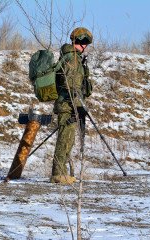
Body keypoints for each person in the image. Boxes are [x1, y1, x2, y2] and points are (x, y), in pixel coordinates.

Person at [50, 27, 93, 184]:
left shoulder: (72, 57)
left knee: (68, 139)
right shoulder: (73, 59)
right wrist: (78, 105)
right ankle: (58, 174)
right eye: (85, 43)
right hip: (68, 105)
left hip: (69, 104)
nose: (86, 46)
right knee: (65, 139)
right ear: (80, 42)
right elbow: (71, 85)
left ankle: (61, 172)